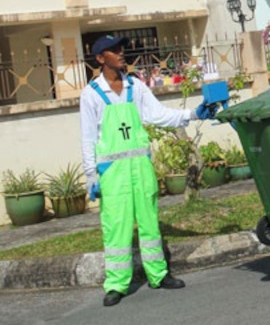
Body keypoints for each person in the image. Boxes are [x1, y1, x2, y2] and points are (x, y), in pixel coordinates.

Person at [80, 34, 217, 307]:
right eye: (113, 50)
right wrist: (91, 174)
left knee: (149, 222)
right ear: (100, 58)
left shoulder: (136, 87)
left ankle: (159, 274)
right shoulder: (91, 94)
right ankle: (116, 284)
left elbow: (158, 115)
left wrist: (192, 114)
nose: (121, 53)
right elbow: (88, 138)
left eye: (121, 49)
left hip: (141, 168)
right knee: (116, 227)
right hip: (113, 173)